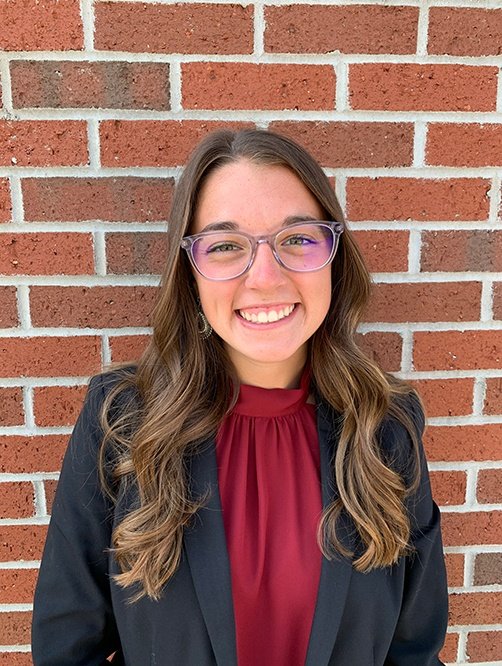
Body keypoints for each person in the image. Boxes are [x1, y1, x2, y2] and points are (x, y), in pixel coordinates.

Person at [32, 128, 448, 665]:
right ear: (190, 271)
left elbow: (414, 652)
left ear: (334, 255)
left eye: (298, 238)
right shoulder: (121, 422)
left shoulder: (387, 427)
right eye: (227, 246)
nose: (265, 278)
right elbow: (67, 649)